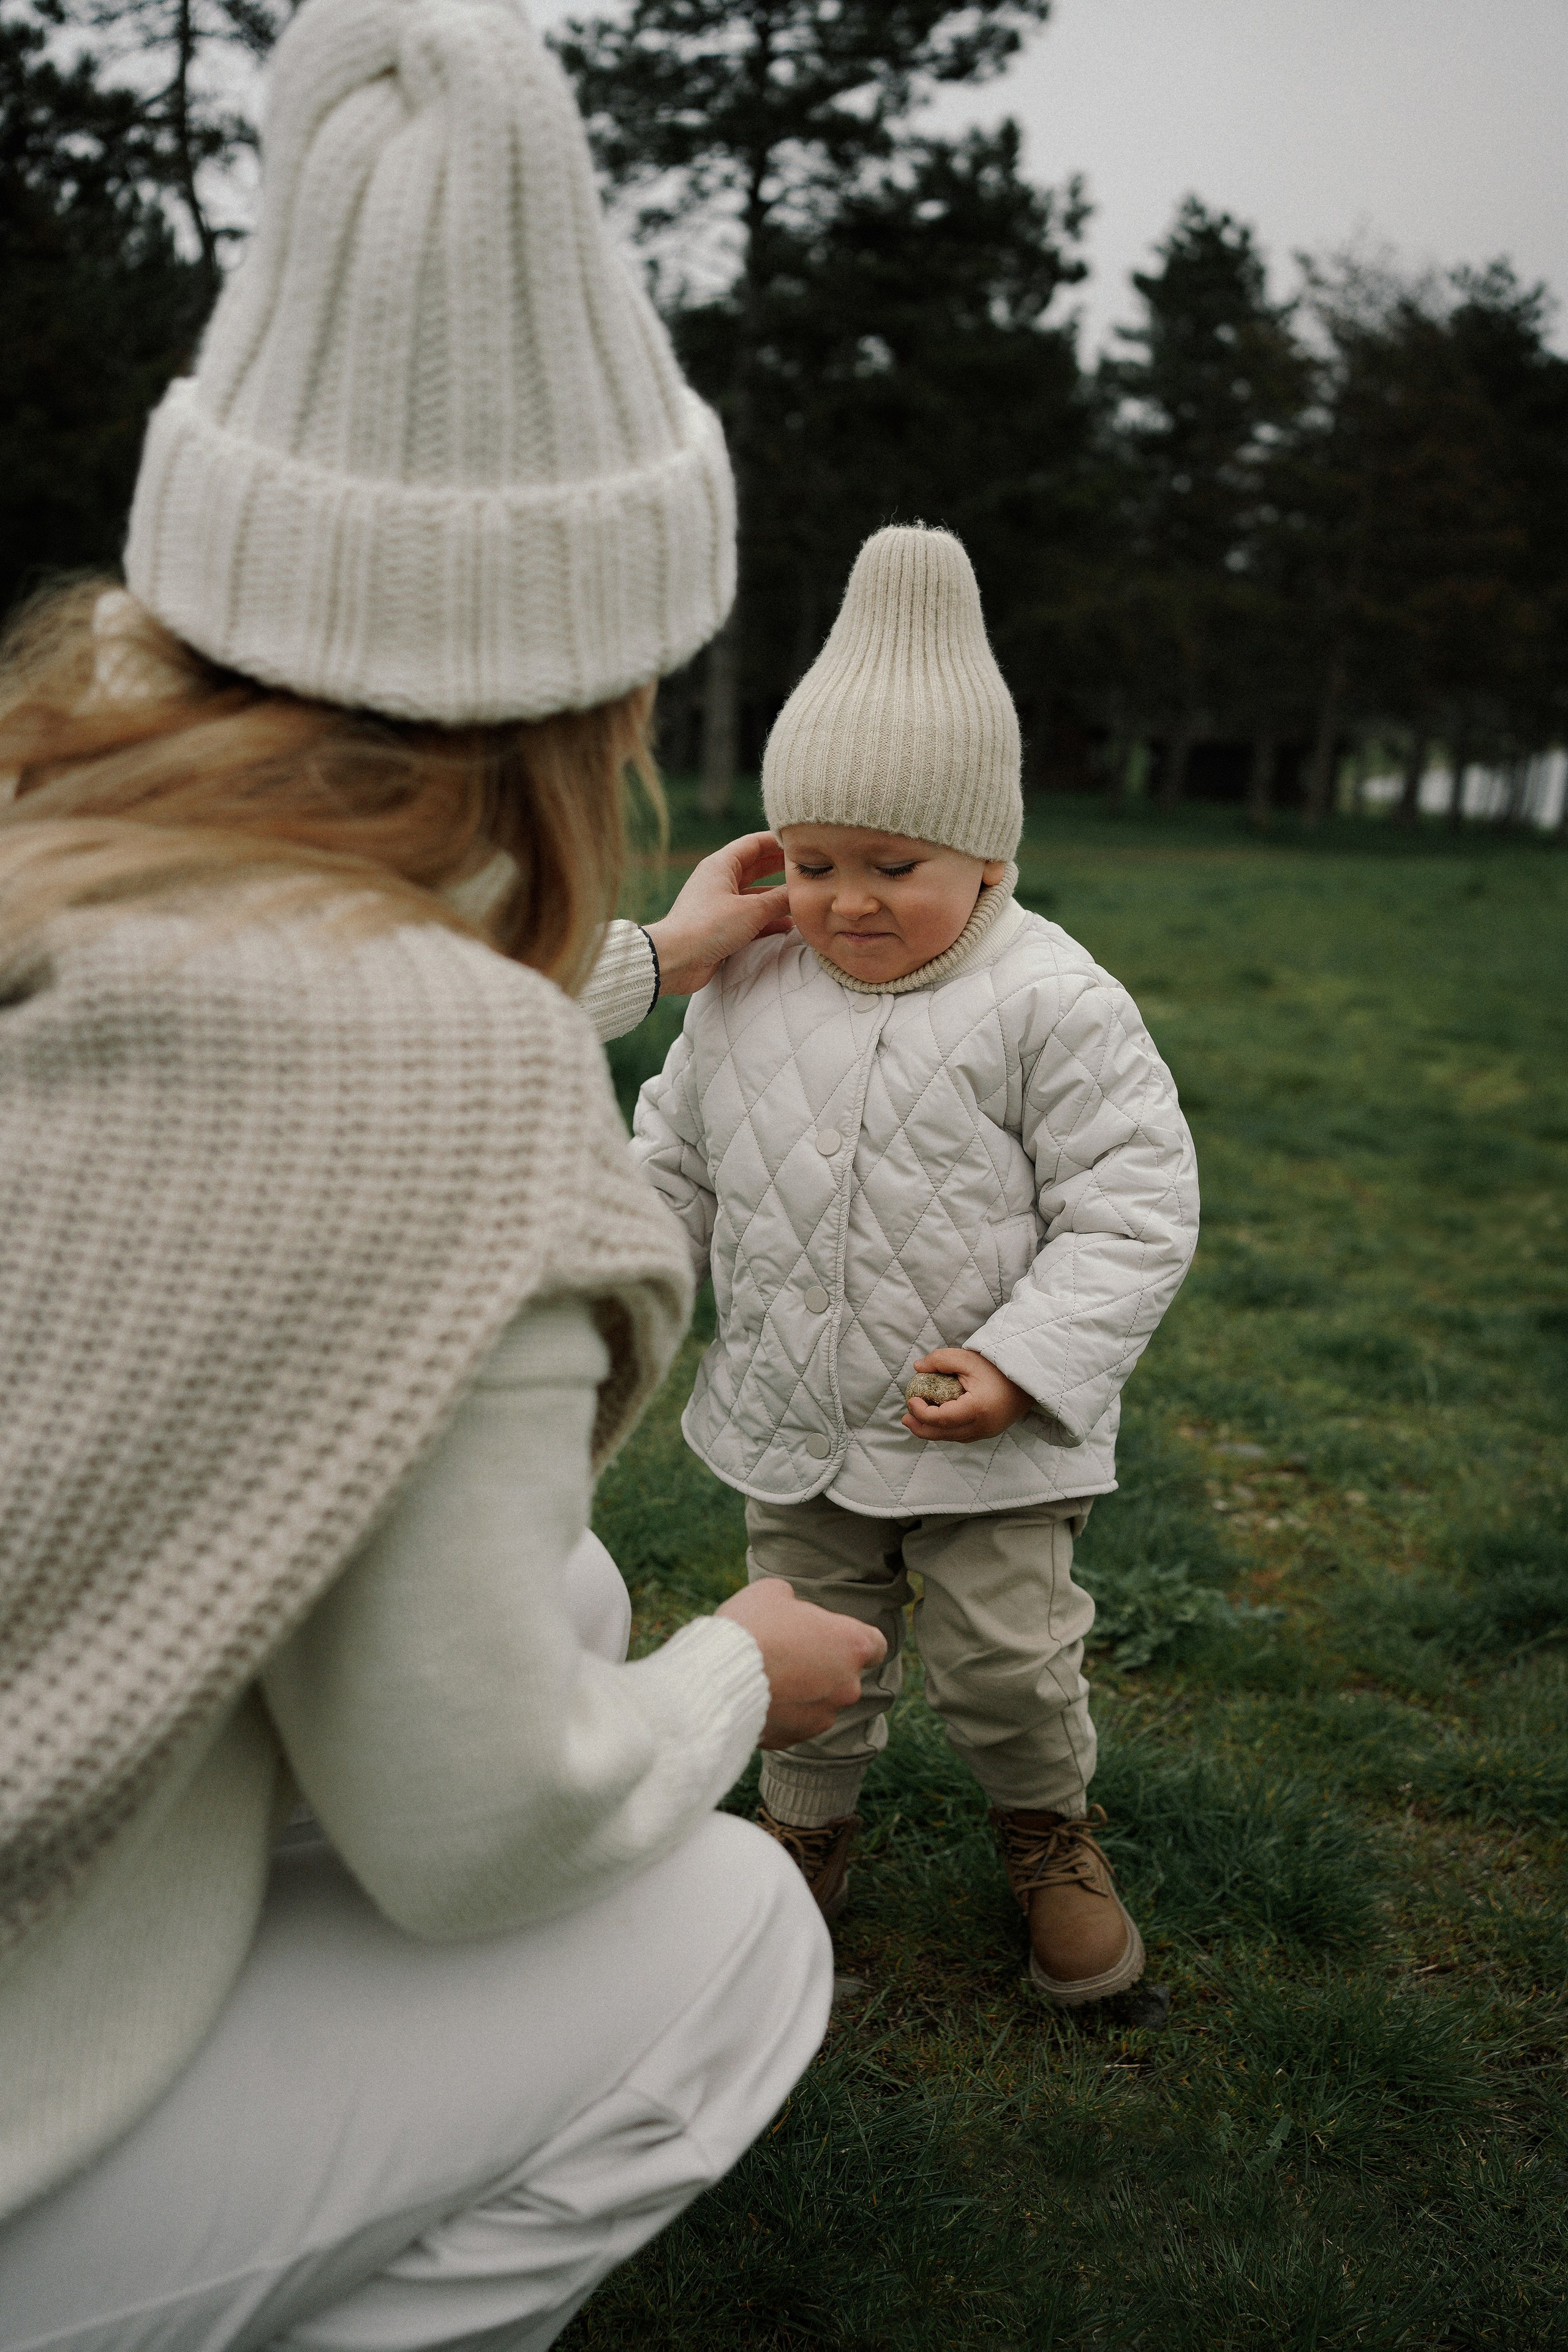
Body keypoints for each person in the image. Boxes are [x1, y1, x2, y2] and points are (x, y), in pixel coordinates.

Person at [0, 0, 884, 2343]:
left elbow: (235, 1040)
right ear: (598, 676)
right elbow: (470, 1829)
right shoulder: (455, 1097)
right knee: (720, 1941)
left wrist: (630, 968)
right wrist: (733, 1679)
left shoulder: (46, 855)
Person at [631, 524, 1200, 2008]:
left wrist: (1020, 1364)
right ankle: (801, 1848)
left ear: (989, 858)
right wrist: (617, 1298)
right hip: (795, 1412)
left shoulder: (1050, 1001)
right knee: (806, 1658)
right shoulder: (743, 982)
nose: (847, 900)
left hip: (985, 1432)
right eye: (811, 862)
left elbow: (1133, 1204)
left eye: (895, 865)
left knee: (1010, 1665)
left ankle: (1047, 1838)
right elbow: (674, 1162)